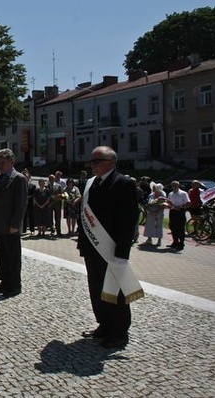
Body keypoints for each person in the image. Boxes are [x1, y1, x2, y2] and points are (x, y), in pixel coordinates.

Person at [78, 146, 143, 349]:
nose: (92, 165)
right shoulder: (91, 184)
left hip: (112, 249)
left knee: (117, 292)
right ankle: (104, 325)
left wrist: (122, 252)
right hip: (92, 247)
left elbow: (128, 220)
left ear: (110, 162)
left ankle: (119, 332)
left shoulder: (124, 183)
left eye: (97, 161)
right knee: (97, 288)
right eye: (92, 161)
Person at [0, 149, 27, 298]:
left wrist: (15, 224)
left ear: (12, 161)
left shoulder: (19, 179)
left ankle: (15, 284)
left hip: (10, 225)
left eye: (3, 162)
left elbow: (21, 204)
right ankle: (4, 281)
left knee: (13, 256)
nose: (0, 165)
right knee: (1, 255)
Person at [167, 181, 190, 252]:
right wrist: (170, 205)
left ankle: (181, 243)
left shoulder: (183, 193)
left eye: (175, 186)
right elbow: (169, 201)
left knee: (180, 227)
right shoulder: (170, 193)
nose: (173, 187)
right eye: (172, 186)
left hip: (180, 211)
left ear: (178, 186)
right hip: (173, 211)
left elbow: (188, 203)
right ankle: (175, 242)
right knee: (172, 226)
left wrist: (181, 207)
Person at [22, 169, 35, 235]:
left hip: (30, 203)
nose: (26, 177)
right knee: (23, 216)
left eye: (27, 176)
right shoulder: (20, 185)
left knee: (31, 216)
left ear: (29, 177)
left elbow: (34, 194)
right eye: (24, 176)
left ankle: (32, 229)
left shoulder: (32, 186)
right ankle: (23, 229)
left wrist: (29, 197)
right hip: (23, 203)